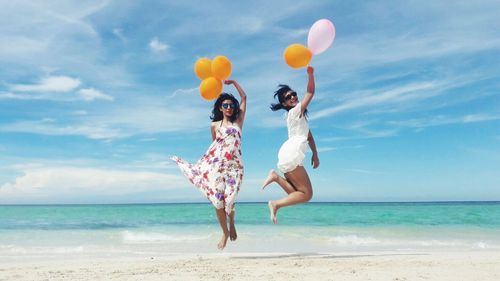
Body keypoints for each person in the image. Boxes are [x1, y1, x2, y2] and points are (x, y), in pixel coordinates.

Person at [171, 80, 246, 250]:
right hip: (218, 166)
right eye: (225, 105)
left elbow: (244, 97)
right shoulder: (214, 125)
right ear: (220, 108)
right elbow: (215, 146)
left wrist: (233, 82)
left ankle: (232, 223)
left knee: (231, 199)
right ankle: (225, 232)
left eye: (231, 105)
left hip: (235, 166)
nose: (229, 107)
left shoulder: (238, 122)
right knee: (218, 202)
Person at [262, 66, 319, 224]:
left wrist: (315, 153)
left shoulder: (298, 116)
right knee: (306, 195)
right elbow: (311, 92)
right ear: (285, 103)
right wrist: (311, 75)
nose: (293, 97)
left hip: (289, 154)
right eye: (288, 97)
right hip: (292, 154)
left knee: (300, 193)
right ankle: (275, 204)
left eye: (294, 94)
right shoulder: (294, 112)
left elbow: (309, 136)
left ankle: (276, 178)